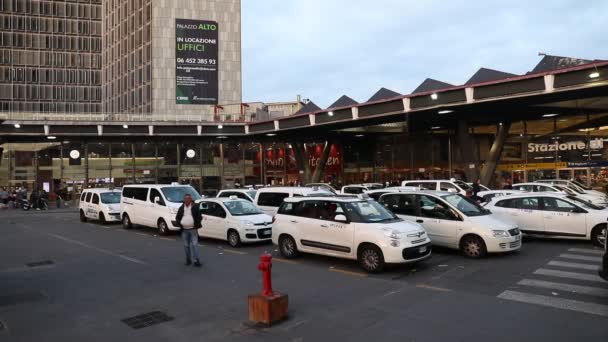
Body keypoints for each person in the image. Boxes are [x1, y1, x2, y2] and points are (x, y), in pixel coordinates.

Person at [175, 194, 202, 267]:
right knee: (186, 246)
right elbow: (177, 217)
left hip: (193, 229)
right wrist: (180, 223)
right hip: (184, 230)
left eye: (188, 199)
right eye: (185, 199)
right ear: (184, 200)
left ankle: (196, 260)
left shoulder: (194, 207)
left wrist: (196, 226)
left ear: (190, 200)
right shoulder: (181, 208)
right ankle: (188, 259)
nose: (187, 200)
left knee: (195, 245)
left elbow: (199, 217)